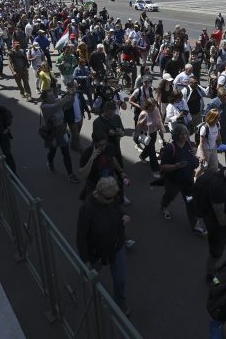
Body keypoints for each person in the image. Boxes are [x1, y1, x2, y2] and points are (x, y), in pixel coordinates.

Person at [76, 176, 130, 315]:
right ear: (99, 194)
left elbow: (118, 207)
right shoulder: (86, 209)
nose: (112, 200)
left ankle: (120, 303)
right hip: (97, 252)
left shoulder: (111, 197)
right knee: (90, 276)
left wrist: (124, 215)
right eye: (109, 198)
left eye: (114, 197)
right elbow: (81, 237)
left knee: (120, 279)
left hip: (117, 245)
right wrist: (85, 260)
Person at [159, 124, 206, 235]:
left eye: (185, 133)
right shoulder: (170, 148)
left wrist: (196, 159)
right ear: (176, 135)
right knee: (169, 196)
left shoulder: (189, 145)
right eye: (181, 134)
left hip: (187, 183)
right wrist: (176, 166)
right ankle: (164, 206)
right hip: (173, 182)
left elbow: (192, 161)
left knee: (190, 202)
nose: (184, 136)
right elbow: (163, 166)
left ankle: (196, 226)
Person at [41, 88, 79, 183]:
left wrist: (73, 94)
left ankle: (70, 174)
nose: (53, 96)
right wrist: (67, 95)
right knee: (52, 151)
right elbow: (56, 106)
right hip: (52, 132)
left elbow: (68, 104)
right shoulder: (45, 107)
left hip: (61, 130)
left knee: (66, 152)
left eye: (53, 94)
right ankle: (50, 163)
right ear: (45, 99)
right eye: (50, 96)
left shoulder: (57, 101)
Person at [136, 98, 164, 177]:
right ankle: (155, 170)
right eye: (151, 106)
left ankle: (142, 156)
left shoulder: (155, 110)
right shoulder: (143, 114)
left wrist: (161, 131)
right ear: (147, 106)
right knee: (152, 152)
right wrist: (136, 136)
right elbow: (138, 126)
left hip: (153, 133)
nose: (153, 108)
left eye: (154, 106)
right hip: (146, 134)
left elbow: (159, 121)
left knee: (149, 147)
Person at [198, 109, 222, 174]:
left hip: (213, 148)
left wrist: (220, 141)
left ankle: (211, 181)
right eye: (218, 118)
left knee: (214, 168)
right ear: (212, 118)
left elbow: (218, 134)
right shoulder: (204, 128)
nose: (219, 119)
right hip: (205, 150)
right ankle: (195, 179)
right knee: (202, 168)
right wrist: (202, 155)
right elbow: (201, 143)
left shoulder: (217, 124)